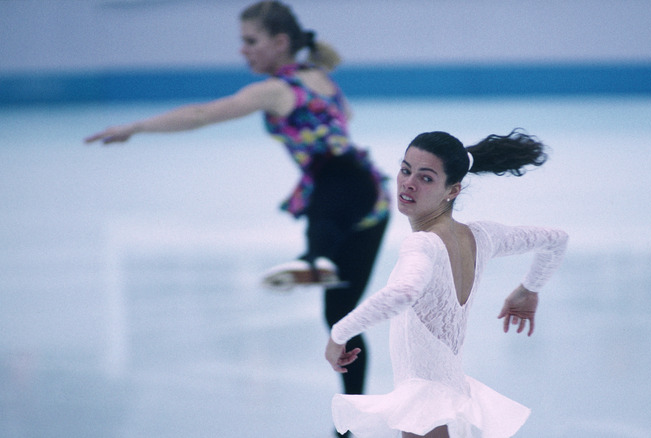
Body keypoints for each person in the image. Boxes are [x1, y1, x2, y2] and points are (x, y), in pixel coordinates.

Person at [84, 0, 390, 411]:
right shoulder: (318, 76)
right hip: (372, 200)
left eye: (250, 41)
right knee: (341, 319)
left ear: (279, 42)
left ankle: (314, 258)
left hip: (344, 188)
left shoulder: (274, 90)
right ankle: (353, 413)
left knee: (327, 201)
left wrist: (136, 128)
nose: (242, 50)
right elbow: (344, 116)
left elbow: (200, 115)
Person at [325, 129, 569, 438]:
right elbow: (556, 239)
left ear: (452, 190)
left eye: (426, 178)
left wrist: (339, 334)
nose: (408, 182)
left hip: (426, 404)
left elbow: (402, 293)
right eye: (405, 170)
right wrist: (528, 289)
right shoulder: (483, 237)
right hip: (448, 400)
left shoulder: (424, 245)